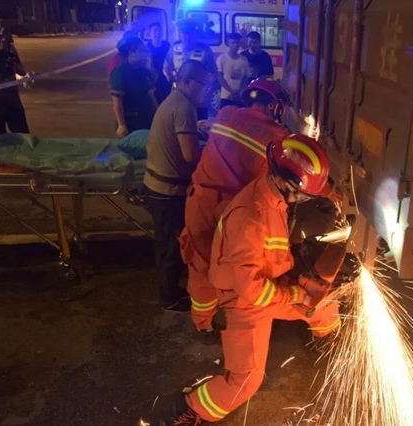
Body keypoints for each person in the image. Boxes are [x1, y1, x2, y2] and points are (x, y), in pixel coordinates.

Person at [142, 135, 341, 425]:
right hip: (243, 298)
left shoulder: (270, 191)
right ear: (286, 183)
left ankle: (334, 348)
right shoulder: (250, 217)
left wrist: (299, 291)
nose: (302, 201)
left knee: (322, 302)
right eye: (303, 194)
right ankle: (183, 411)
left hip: (264, 282)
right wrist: (293, 295)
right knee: (246, 380)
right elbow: (253, 292)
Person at [179, 78, 290, 344]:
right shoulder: (279, 138)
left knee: (200, 265)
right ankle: (238, 320)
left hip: (200, 203)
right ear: (276, 107)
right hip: (233, 213)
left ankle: (203, 325)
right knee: (237, 268)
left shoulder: (225, 114)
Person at [144, 60, 213, 313]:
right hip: (168, 191)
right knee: (172, 246)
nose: (206, 90)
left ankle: (170, 290)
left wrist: (198, 130)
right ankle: (169, 298)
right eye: (203, 84)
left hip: (159, 185)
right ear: (186, 82)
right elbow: (191, 157)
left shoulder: (174, 100)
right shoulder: (184, 107)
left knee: (167, 244)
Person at [163, 19, 217, 119]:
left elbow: (213, 73)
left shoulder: (205, 50)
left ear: (194, 34)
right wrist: (171, 79)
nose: (186, 37)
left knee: (199, 125)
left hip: (198, 97)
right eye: (183, 34)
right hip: (178, 95)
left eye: (189, 34)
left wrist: (206, 87)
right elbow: (166, 67)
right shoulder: (174, 48)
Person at [109, 37, 157, 138]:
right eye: (142, 51)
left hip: (145, 118)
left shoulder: (141, 69)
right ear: (132, 53)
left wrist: (149, 68)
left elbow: (151, 89)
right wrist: (121, 124)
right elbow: (117, 102)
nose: (145, 54)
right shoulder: (120, 71)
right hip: (131, 121)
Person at [216, 33, 251, 109]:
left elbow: (245, 78)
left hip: (239, 98)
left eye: (237, 43)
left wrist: (239, 92)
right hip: (226, 97)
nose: (235, 45)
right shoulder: (222, 59)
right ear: (229, 43)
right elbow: (220, 78)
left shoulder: (244, 60)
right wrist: (231, 92)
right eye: (233, 43)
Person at [146, 22, 171, 104]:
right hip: (152, 81)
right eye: (155, 30)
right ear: (150, 33)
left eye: (159, 31)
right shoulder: (147, 47)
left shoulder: (167, 46)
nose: (157, 33)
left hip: (166, 80)